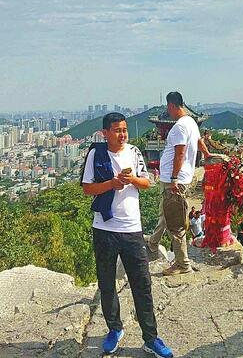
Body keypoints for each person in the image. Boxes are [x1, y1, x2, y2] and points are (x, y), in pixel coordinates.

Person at [81, 113, 174, 358]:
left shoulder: (133, 151)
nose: (122, 134)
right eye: (117, 130)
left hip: (132, 229)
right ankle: (114, 329)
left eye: (124, 129)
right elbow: (87, 188)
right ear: (105, 133)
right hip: (104, 227)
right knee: (107, 283)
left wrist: (131, 179)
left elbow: (147, 182)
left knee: (142, 284)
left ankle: (151, 338)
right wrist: (112, 183)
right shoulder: (96, 154)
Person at [147, 91, 201, 276]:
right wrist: (208, 155)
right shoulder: (192, 122)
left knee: (175, 222)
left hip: (174, 181)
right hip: (178, 178)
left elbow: (180, 153)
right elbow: (199, 142)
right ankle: (153, 242)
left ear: (171, 105)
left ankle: (182, 264)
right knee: (165, 211)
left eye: (167, 108)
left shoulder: (179, 127)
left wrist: (174, 178)